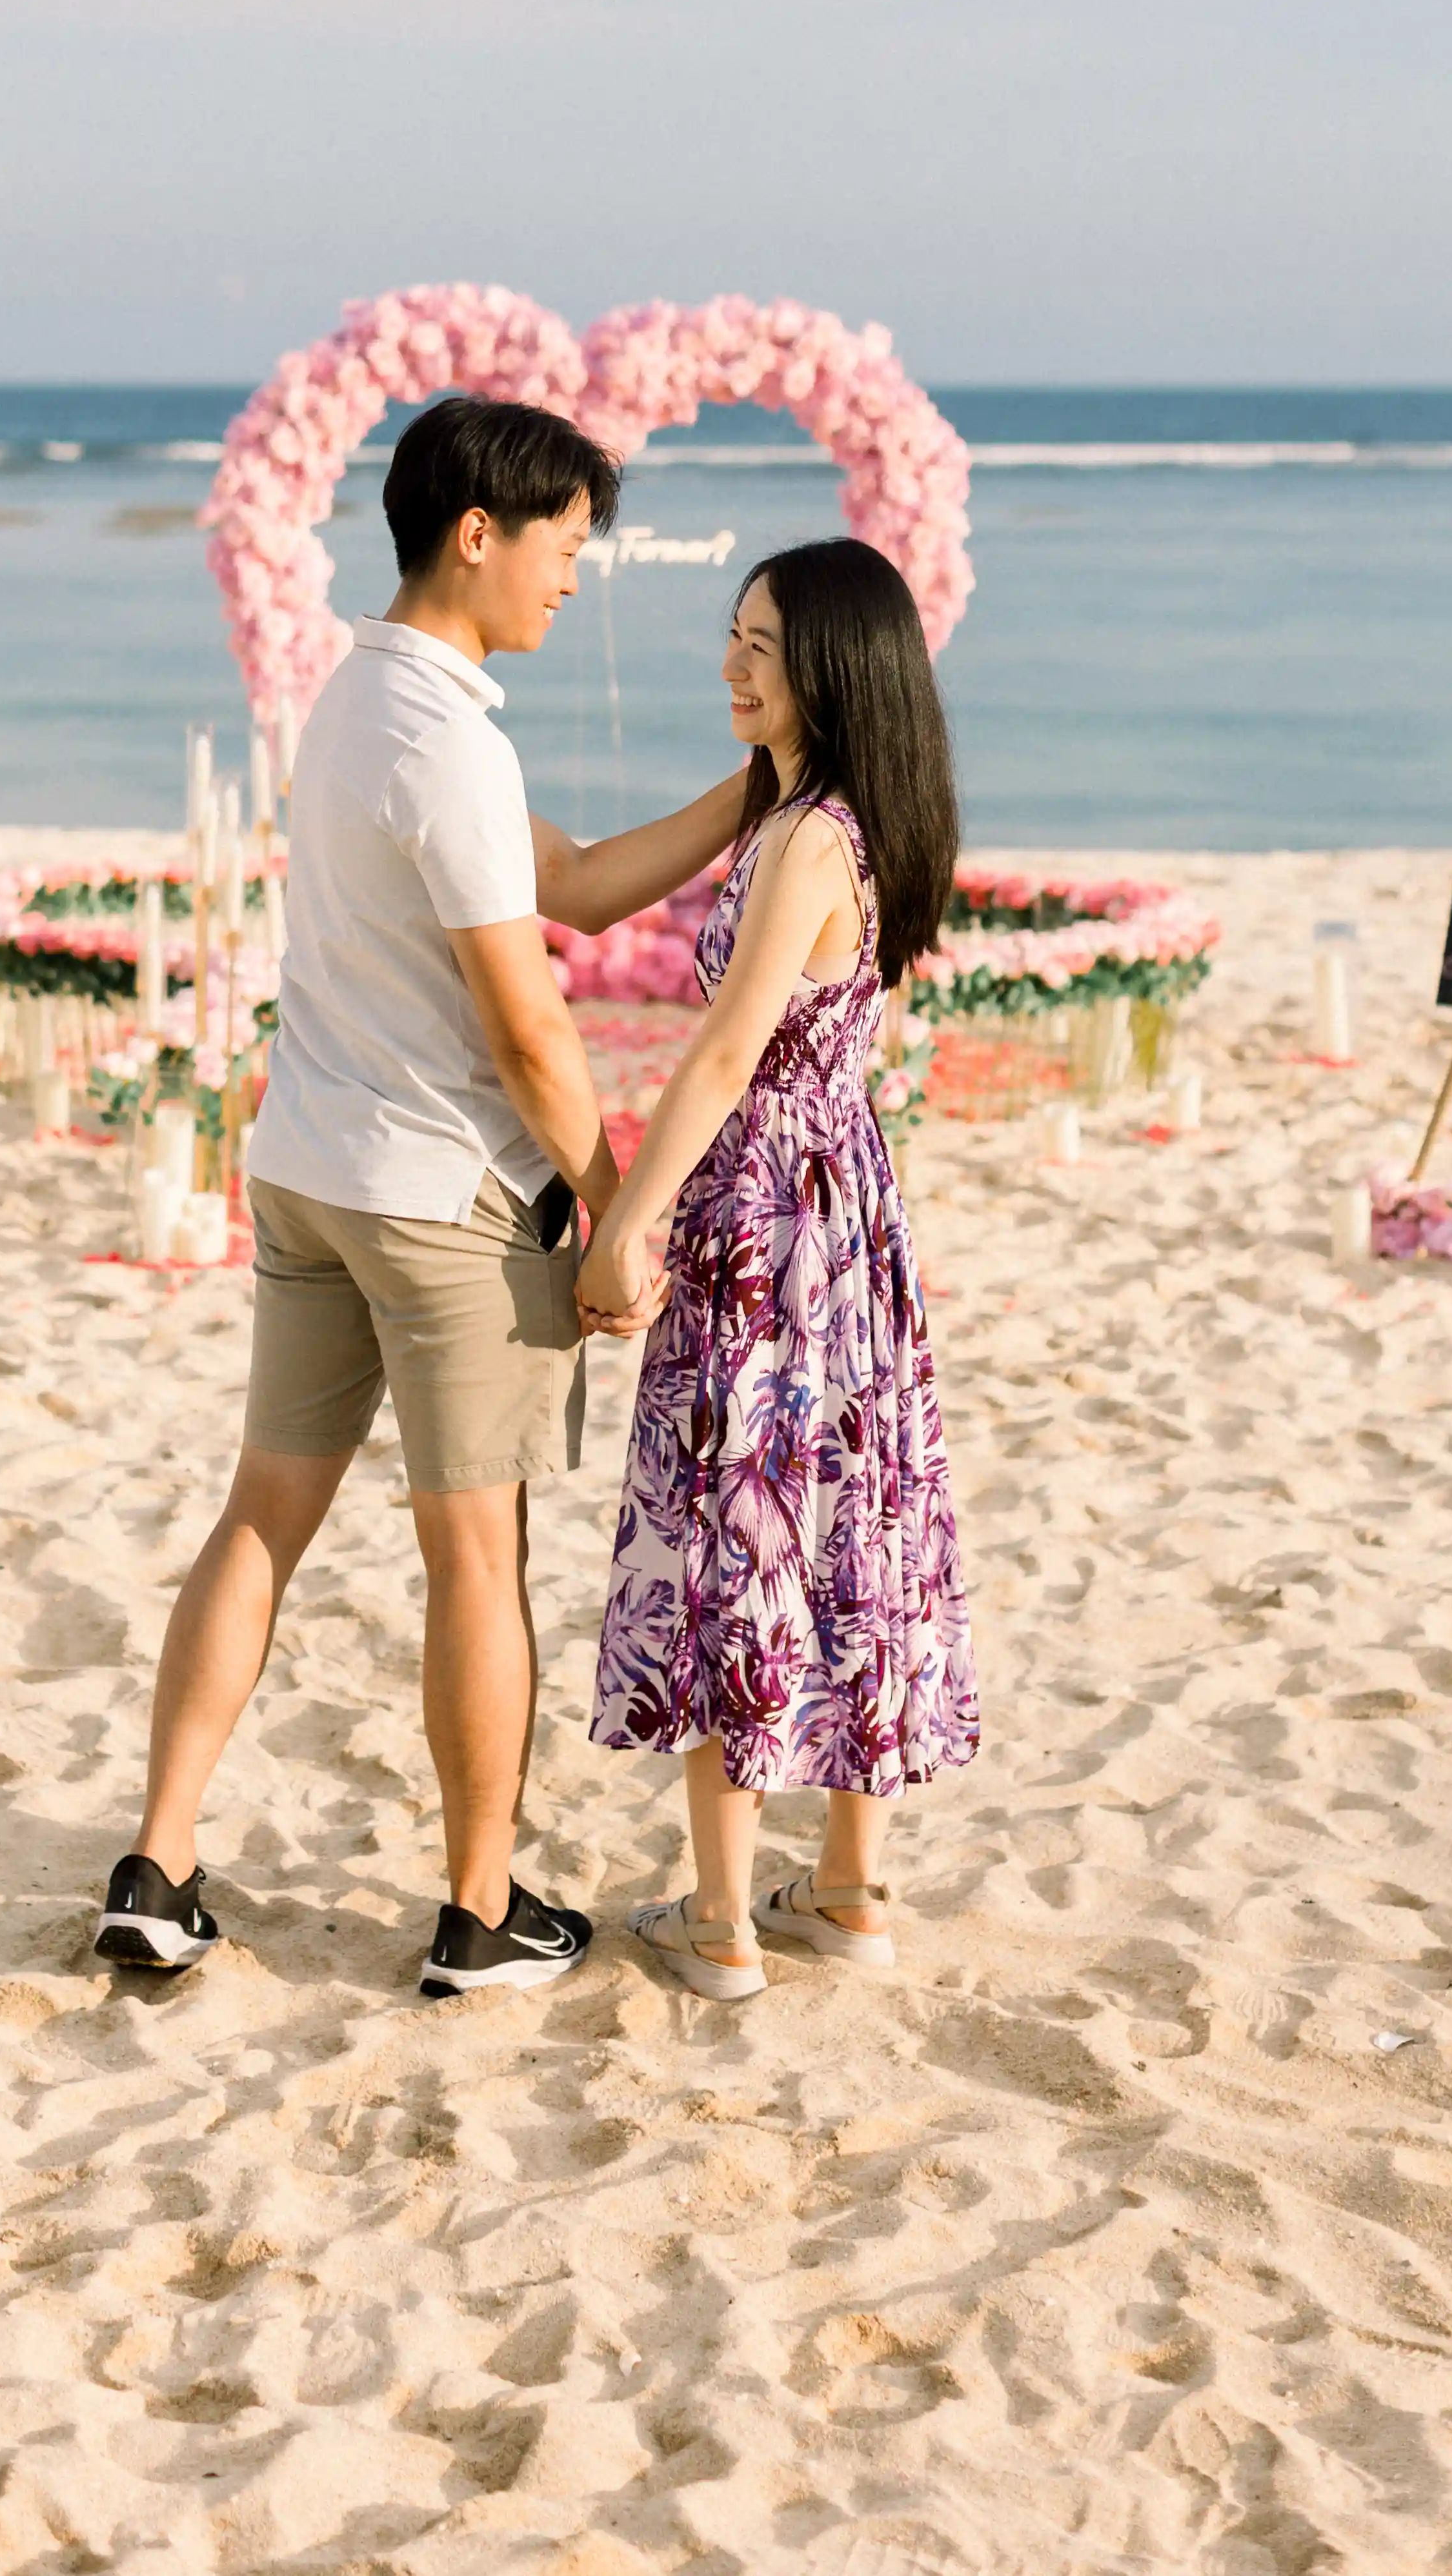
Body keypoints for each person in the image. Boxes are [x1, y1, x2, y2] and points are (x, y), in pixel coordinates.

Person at [96, 392, 738, 1994]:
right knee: (475, 1560)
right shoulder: (447, 742)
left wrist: (758, 786)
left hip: (309, 1173)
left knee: (262, 1517)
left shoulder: (357, 699)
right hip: (442, 1200)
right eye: (562, 546)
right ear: (476, 533)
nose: (572, 579)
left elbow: (571, 882)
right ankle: (477, 1910)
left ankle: (157, 1869)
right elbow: (527, 1029)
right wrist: (612, 1204)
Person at [581, 537, 982, 2001]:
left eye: (761, 644)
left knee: (735, 1527)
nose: (731, 664)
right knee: (852, 1514)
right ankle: (850, 1888)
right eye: (734, 635)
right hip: (845, 1205)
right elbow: (608, 884)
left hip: (765, 1209)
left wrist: (628, 1218)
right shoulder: (837, 815)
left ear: (831, 665)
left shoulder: (808, 837)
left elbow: (722, 1054)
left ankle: (720, 1919)